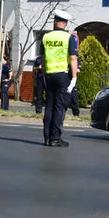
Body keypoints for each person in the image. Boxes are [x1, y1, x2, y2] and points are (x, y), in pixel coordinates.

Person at [40, 9, 79, 147]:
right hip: (62, 75)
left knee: (49, 106)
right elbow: (73, 58)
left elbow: (43, 59)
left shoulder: (46, 37)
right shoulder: (69, 38)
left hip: (49, 75)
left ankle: (47, 137)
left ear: (55, 22)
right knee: (59, 107)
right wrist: (74, 78)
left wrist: (44, 74)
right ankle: (55, 138)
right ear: (65, 23)